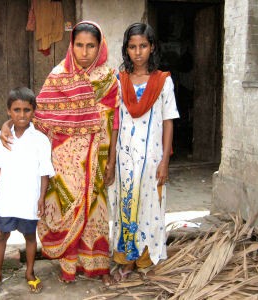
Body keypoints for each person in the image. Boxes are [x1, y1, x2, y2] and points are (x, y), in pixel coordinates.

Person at [0, 21, 119, 285]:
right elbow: (36, 116)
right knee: (67, 207)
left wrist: (111, 161)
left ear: (100, 47)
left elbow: (116, 123)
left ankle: (97, 266)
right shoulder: (58, 75)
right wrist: (7, 124)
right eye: (79, 45)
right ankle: (69, 266)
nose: (85, 52)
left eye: (91, 46)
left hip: (97, 159)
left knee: (96, 210)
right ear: (71, 45)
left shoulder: (109, 79)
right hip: (65, 160)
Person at [109, 23, 180, 281]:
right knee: (127, 207)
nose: (138, 52)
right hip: (125, 159)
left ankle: (147, 257)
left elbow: (169, 121)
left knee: (150, 207)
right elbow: (115, 121)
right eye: (132, 47)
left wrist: (165, 162)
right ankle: (127, 259)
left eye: (143, 46)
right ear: (126, 50)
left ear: (152, 48)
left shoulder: (163, 81)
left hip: (152, 159)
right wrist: (111, 160)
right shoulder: (120, 81)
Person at [0, 87, 55, 298]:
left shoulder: (40, 139)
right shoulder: (2, 137)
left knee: (30, 236)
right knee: (2, 234)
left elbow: (44, 172)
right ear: (8, 111)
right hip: (7, 197)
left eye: (26, 110)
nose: (21, 115)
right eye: (16, 110)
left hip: (29, 197)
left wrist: (41, 198)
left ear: (34, 111)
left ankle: (30, 273)